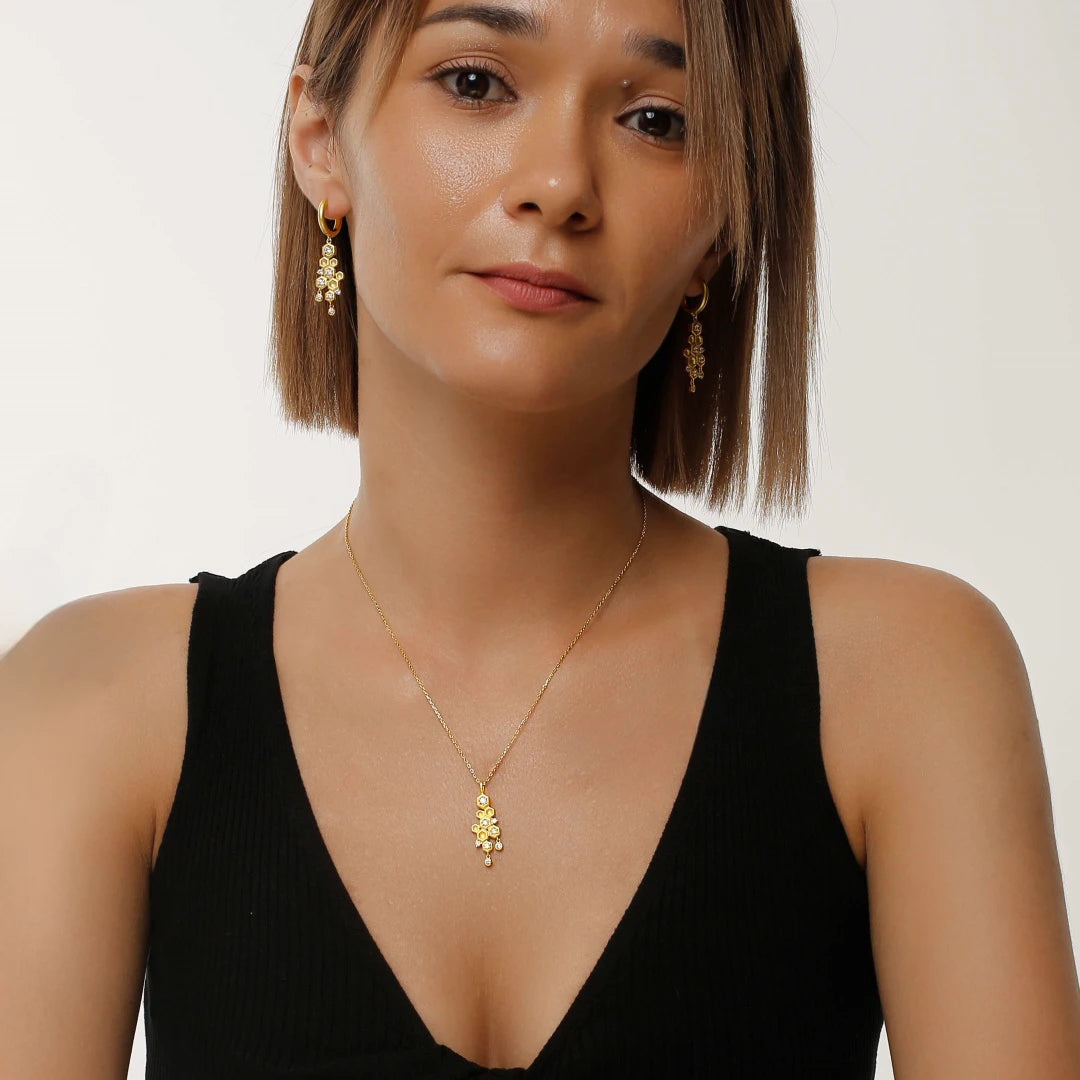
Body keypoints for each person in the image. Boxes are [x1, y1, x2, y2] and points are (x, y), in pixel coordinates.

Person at [2, 0, 1079, 1076]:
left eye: (657, 121)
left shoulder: (903, 680)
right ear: (321, 140)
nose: (560, 184)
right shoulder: (89, 708)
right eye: (476, 83)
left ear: (721, 225)